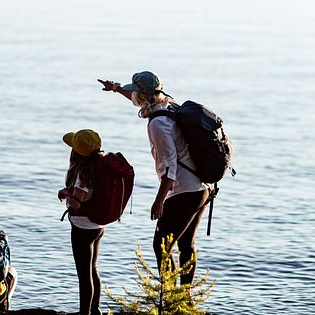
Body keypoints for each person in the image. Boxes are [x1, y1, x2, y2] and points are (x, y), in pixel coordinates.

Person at [98, 72, 209, 286]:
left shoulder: (157, 125)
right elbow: (137, 96)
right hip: (201, 186)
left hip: (183, 191)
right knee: (186, 244)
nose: (134, 96)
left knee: (161, 246)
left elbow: (170, 166)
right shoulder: (169, 104)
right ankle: (183, 302)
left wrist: (159, 201)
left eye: (136, 92)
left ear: (143, 96)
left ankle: (168, 299)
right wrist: (116, 89)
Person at [58, 129, 106, 315]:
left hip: (82, 227)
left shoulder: (84, 173)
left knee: (84, 275)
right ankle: (96, 310)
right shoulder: (100, 165)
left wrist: (65, 193)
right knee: (93, 269)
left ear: (77, 152)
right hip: (98, 225)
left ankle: (84, 312)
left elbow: (77, 203)